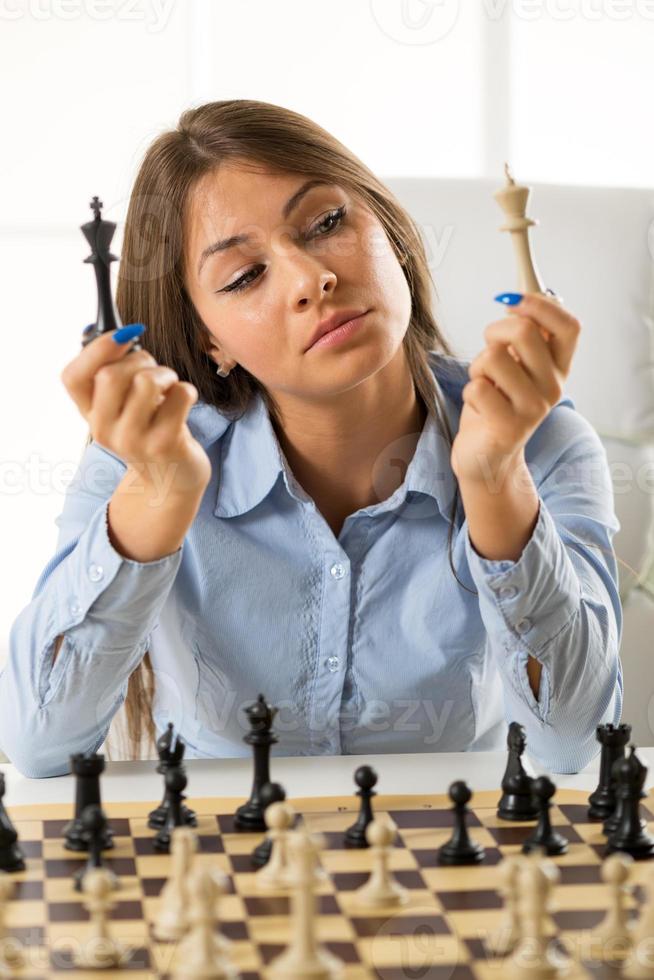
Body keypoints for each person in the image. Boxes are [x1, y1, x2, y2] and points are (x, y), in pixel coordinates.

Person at [0, 100, 622, 778]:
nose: (309, 280)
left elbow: (577, 747)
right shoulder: (142, 459)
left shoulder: (547, 443)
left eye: (327, 223)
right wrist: (156, 496)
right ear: (211, 340)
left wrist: (498, 477)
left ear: (391, 230)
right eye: (244, 276)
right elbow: (37, 745)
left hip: (444, 860)